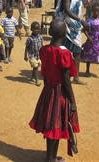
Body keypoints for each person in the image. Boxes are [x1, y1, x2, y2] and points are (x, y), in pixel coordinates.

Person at [29, 18, 80, 162]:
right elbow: (65, 80)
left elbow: (44, 73)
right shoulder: (64, 54)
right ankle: (51, 159)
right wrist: (71, 99)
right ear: (65, 34)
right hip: (60, 93)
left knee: (51, 124)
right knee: (56, 124)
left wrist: (47, 90)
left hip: (48, 91)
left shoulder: (44, 50)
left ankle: (50, 156)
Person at [55, 0, 86, 85]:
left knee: (76, 51)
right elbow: (67, 10)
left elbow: (76, 8)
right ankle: (64, 75)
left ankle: (75, 77)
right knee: (66, 51)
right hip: (67, 26)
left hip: (74, 27)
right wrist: (80, 20)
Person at [81, 3, 99, 80]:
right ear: (92, 11)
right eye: (94, 11)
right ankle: (87, 71)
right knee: (89, 55)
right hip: (92, 40)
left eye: (97, 11)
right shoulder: (89, 20)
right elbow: (84, 30)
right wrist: (89, 38)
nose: (96, 13)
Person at [24, 21, 44, 86]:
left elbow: (41, 45)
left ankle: (32, 77)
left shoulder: (40, 37)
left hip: (38, 55)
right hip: (32, 56)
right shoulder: (30, 39)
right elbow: (26, 47)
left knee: (36, 67)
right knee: (35, 67)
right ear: (31, 29)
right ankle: (37, 80)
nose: (37, 30)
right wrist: (25, 55)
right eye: (35, 29)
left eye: (38, 29)